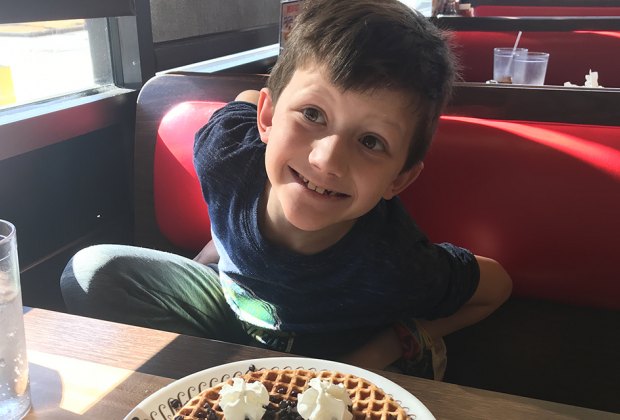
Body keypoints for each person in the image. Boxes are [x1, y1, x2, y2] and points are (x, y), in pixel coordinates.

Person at [60, 0, 512, 380]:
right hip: (222, 315)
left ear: (399, 179)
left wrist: (388, 344)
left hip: (325, 366)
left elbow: (497, 286)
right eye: (312, 114)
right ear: (269, 118)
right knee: (91, 271)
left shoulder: (395, 262)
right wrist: (220, 237)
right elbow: (239, 106)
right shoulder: (225, 159)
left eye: (371, 141)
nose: (327, 161)